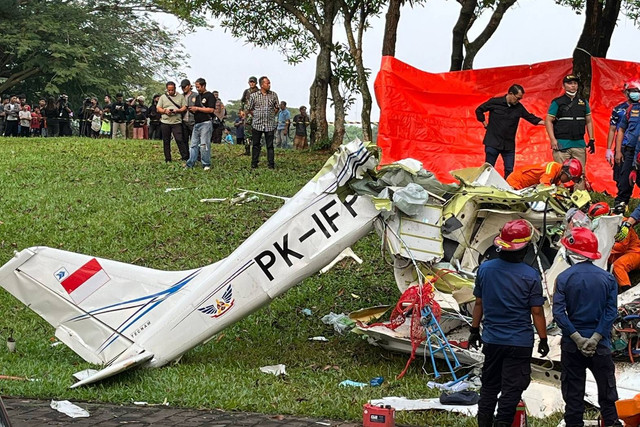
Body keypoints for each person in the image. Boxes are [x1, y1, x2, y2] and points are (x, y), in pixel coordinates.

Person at [468, 219, 548, 427]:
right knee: (512, 389)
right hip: (519, 342)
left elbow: (479, 303)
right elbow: (536, 311)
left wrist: (474, 330)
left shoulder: (485, 270)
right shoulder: (531, 276)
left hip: (492, 341)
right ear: (524, 249)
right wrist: (543, 338)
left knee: (489, 387)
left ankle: (484, 423)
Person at [552, 227, 619, 427]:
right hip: (601, 346)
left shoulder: (564, 278)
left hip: (572, 347)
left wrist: (577, 338)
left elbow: (558, 313)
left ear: (572, 252)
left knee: (573, 397)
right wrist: (596, 338)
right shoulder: (607, 278)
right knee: (607, 396)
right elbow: (610, 312)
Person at [475, 84, 544, 178]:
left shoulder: (519, 107)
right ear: (510, 94)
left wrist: (546, 123)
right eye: (518, 98)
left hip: (508, 145)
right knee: (488, 168)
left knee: (509, 169)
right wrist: (484, 123)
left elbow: (530, 117)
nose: (518, 101)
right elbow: (479, 110)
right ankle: (483, 188)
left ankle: (507, 189)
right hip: (493, 142)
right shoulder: (495, 102)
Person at [545, 74, 595, 191]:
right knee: (560, 173)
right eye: (570, 83)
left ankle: (580, 200)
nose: (573, 86)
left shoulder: (583, 102)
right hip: (561, 144)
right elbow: (548, 120)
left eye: (575, 83)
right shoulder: (557, 102)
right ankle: (562, 199)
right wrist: (552, 139)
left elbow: (589, 121)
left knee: (580, 174)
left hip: (579, 144)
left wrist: (591, 139)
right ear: (564, 86)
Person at [588, 202, 640, 293]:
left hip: (634, 252)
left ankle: (627, 292)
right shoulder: (603, 226)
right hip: (619, 253)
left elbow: (621, 247)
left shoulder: (621, 224)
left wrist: (605, 248)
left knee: (618, 266)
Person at [612, 80, 640, 214]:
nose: (636, 94)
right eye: (634, 91)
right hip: (629, 151)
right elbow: (621, 130)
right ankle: (620, 208)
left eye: (638, 92)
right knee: (624, 182)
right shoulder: (631, 109)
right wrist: (617, 151)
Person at [248, 76, 279, 169]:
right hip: (257, 124)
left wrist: (272, 115)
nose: (269, 85)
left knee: (270, 145)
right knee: (256, 144)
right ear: (262, 85)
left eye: (269, 83)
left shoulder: (273, 95)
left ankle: (271, 164)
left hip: (269, 124)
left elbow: (277, 107)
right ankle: (254, 163)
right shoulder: (254, 96)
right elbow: (249, 109)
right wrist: (256, 115)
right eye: (267, 83)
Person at [185, 77, 216, 170]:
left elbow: (211, 109)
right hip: (197, 123)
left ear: (204, 86)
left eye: (198, 87)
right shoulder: (197, 97)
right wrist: (192, 110)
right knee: (193, 144)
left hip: (206, 123)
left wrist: (198, 109)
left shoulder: (210, 96)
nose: (197, 89)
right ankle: (190, 163)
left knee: (204, 144)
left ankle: (206, 163)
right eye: (196, 87)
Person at [157, 81, 189, 162]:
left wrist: (177, 111)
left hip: (176, 122)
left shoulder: (180, 97)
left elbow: (184, 107)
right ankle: (168, 158)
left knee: (179, 139)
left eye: (172, 90)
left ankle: (184, 157)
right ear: (167, 89)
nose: (170, 92)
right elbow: (158, 108)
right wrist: (165, 111)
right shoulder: (163, 97)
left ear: (175, 89)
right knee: (166, 141)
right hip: (165, 122)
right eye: (169, 90)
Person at [506, 158, 582, 190]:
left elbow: (555, 188)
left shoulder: (557, 174)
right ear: (565, 171)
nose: (568, 181)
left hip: (524, 186)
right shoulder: (552, 168)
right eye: (569, 178)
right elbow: (544, 185)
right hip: (515, 183)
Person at [240, 76, 259, 155]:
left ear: (256, 83)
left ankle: (257, 151)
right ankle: (247, 150)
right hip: (247, 115)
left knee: (257, 133)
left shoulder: (259, 92)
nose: (252, 83)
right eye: (250, 82)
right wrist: (241, 110)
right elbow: (242, 101)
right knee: (247, 133)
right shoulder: (246, 91)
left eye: (253, 82)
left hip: (256, 115)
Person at [181, 79, 196, 144]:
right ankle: (186, 154)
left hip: (193, 121)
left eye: (185, 87)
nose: (183, 88)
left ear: (189, 86)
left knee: (194, 140)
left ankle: (196, 154)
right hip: (183, 121)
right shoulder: (181, 96)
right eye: (182, 87)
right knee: (184, 141)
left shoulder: (196, 95)